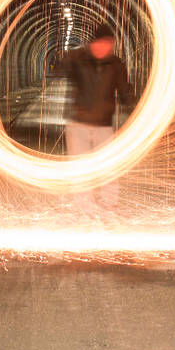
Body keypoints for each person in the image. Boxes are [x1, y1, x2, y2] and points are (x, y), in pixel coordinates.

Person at [58, 23, 136, 216]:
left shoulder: (116, 64)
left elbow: (124, 91)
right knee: (80, 167)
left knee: (109, 167)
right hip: (78, 123)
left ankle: (110, 204)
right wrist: (65, 57)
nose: (105, 48)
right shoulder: (78, 59)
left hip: (104, 124)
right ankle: (85, 208)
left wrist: (137, 109)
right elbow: (59, 71)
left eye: (109, 44)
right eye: (101, 43)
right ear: (93, 43)